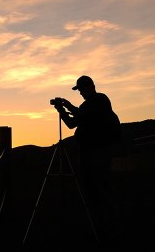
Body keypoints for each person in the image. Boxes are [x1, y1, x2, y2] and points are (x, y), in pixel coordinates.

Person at [52, 75, 122, 242]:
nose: (81, 93)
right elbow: (76, 120)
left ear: (90, 87)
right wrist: (64, 108)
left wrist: (65, 108)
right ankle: (102, 225)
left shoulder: (98, 101)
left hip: (96, 153)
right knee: (97, 190)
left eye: (82, 89)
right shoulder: (94, 103)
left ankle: (107, 228)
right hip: (93, 153)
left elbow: (77, 118)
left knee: (100, 190)